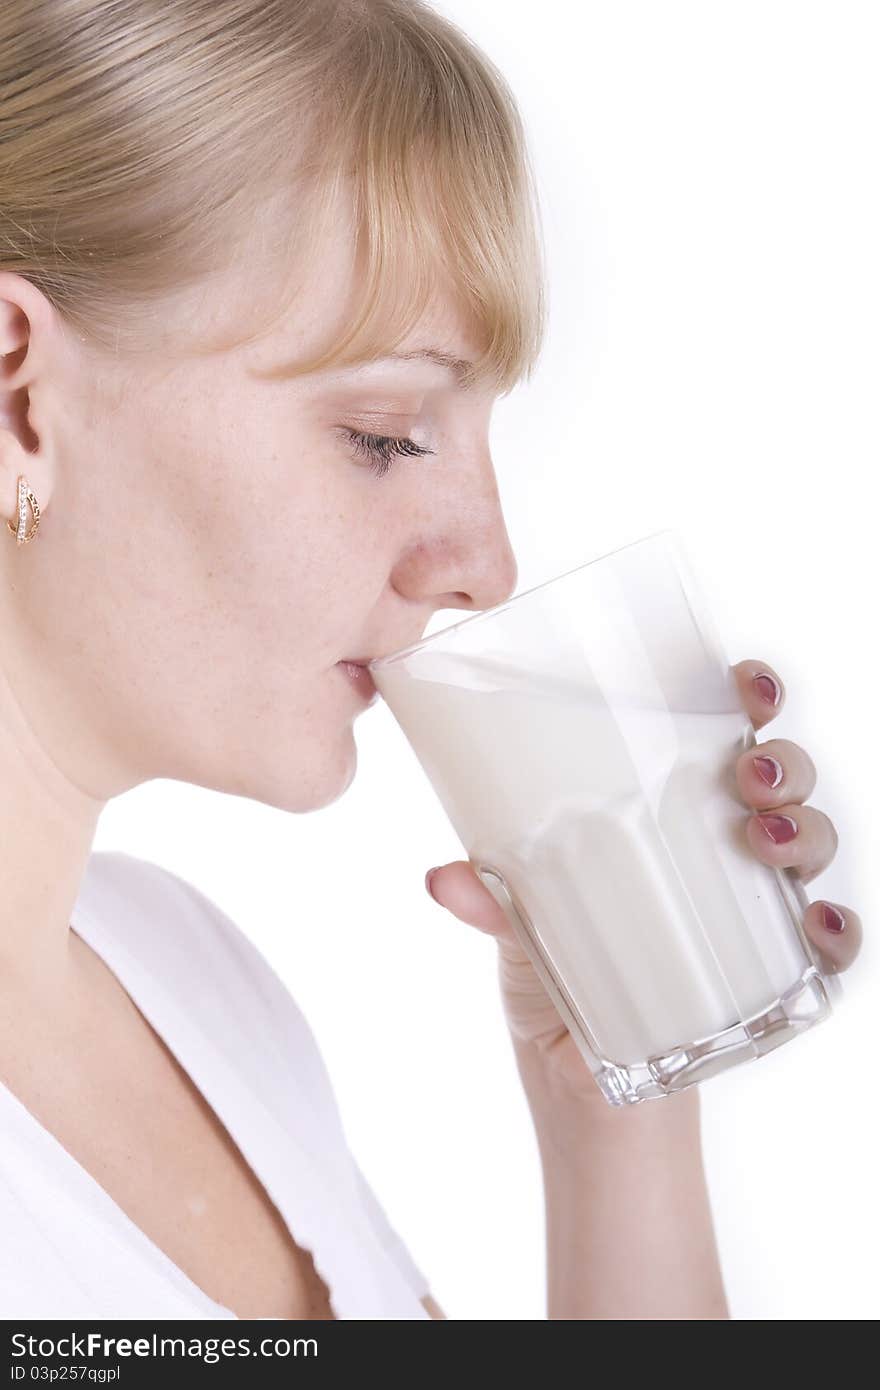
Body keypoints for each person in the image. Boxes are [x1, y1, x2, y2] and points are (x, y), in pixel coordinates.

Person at [0, 0, 862, 1322]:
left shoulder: (188, 979)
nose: (488, 565)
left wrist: (617, 1095)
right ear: (18, 392)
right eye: (386, 432)